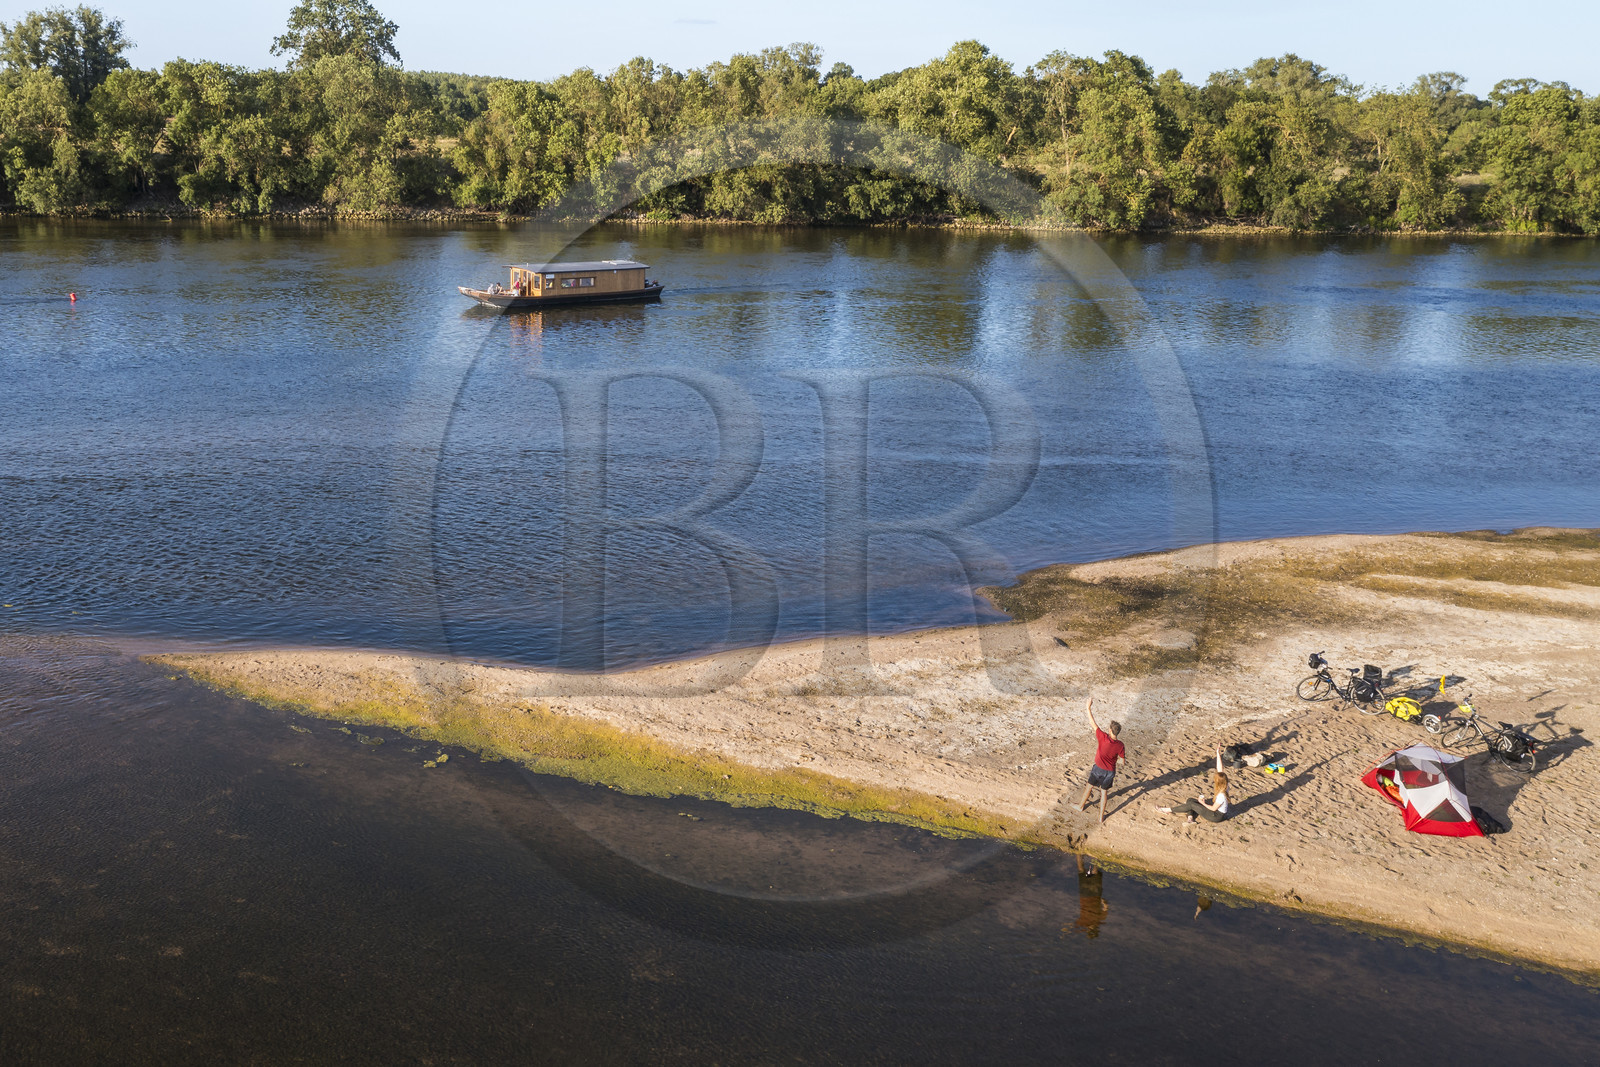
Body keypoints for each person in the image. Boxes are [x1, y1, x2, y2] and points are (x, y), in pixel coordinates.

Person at [1076, 697, 1127, 824]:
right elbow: (1123, 761)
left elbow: (1093, 723)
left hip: (1098, 769)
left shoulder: (1103, 737)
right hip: (1110, 772)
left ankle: (1080, 806)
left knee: (1089, 787)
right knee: (1104, 794)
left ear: (1110, 730)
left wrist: (1088, 707)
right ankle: (1101, 817)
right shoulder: (1120, 745)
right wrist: (1114, 760)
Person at [1156, 747, 1232, 824]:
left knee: (1192, 804)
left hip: (1216, 816)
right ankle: (1190, 818)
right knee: (1190, 800)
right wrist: (1217, 753)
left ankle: (1167, 810)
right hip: (1216, 812)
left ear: (1218, 782)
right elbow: (1220, 769)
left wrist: (1202, 803)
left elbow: (1213, 808)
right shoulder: (1225, 785)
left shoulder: (1221, 795)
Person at [1073, 853, 1109, 938]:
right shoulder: (1084, 922)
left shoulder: (1099, 919)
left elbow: (1106, 907)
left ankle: (1097, 856)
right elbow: (1075, 926)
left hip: (1094, 895)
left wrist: (1103, 902)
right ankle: (1078, 853)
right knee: (1081, 870)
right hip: (1084, 895)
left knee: (1094, 873)